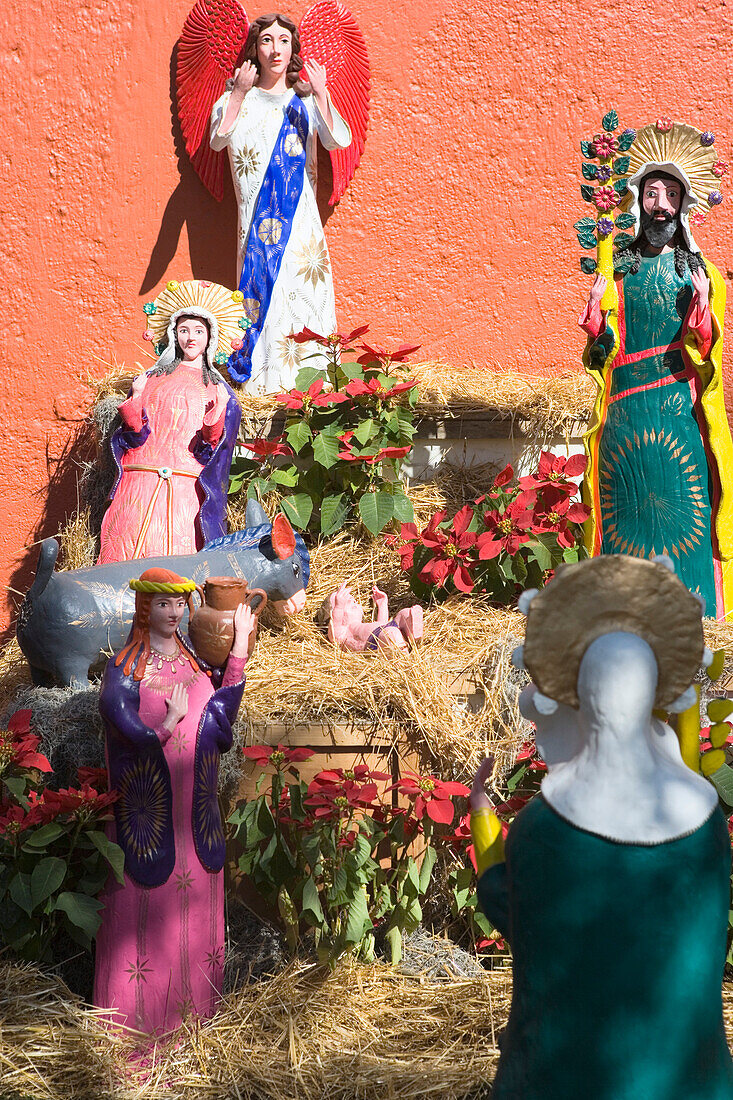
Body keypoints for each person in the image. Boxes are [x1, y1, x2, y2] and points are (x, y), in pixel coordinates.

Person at [470, 556, 733, 1099]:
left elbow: (519, 918)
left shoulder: (544, 829)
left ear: (581, 699)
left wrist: (482, 824)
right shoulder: (708, 821)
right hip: (691, 1083)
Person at [94, 567, 257, 1034]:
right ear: (145, 609)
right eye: (163, 604)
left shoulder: (195, 663)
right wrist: (166, 727)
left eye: (180, 604)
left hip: (194, 822)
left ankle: (196, 1032)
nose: (174, 612)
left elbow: (223, 709)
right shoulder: (124, 669)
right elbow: (120, 720)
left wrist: (240, 643)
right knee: (139, 920)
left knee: (194, 927)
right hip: (147, 827)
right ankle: (134, 1037)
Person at [580, 122, 733, 618]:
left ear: (685, 203)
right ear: (637, 199)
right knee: (622, 514)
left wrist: (705, 306)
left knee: (685, 513)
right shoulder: (615, 268)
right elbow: (599, 350)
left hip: (678, 415)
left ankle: (696, 617)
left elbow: (708, 346)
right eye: (651, 193)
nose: (661, 205)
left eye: (671, 194)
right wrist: (598, 322)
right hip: (624, 416)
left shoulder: (699, 272)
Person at [210, 13, 352, 393]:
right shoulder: (232, 100)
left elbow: (338, 140)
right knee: (263, 303)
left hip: (301, 223)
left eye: (284, 41)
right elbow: (218, 140)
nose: (276, 49)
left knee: (303, 296)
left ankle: (312, 395)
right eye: (267, 41)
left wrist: (321, 92)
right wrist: (239, 94)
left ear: (294, 50)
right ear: (255, 49)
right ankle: (261, 388)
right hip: (256, 223)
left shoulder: (304, 102)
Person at [99, 280, 243, 563]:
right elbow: (134, 434)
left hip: (185, 488)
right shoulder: (151, 379)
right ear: (173, 333)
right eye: (184, 330)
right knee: (125, 550)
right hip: (140, 480)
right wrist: (136, 397)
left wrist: (218, 413)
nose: (191, 338)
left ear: (211, 337)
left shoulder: (217, 389)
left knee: (178, 557)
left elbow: (211, 449)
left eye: (199, 331)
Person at [315, 582, 423, 653]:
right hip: (375, 643)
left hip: (384, 629)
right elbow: (335, 635)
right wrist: (339, 607)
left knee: (403, 614)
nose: (351, 600)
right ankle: (401, 651)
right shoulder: (344, 633)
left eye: (354, 601)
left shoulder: (363, 625)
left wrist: (382, 605)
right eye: (344, 602)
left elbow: (382, 622)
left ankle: (413, 629)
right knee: (391, 634)